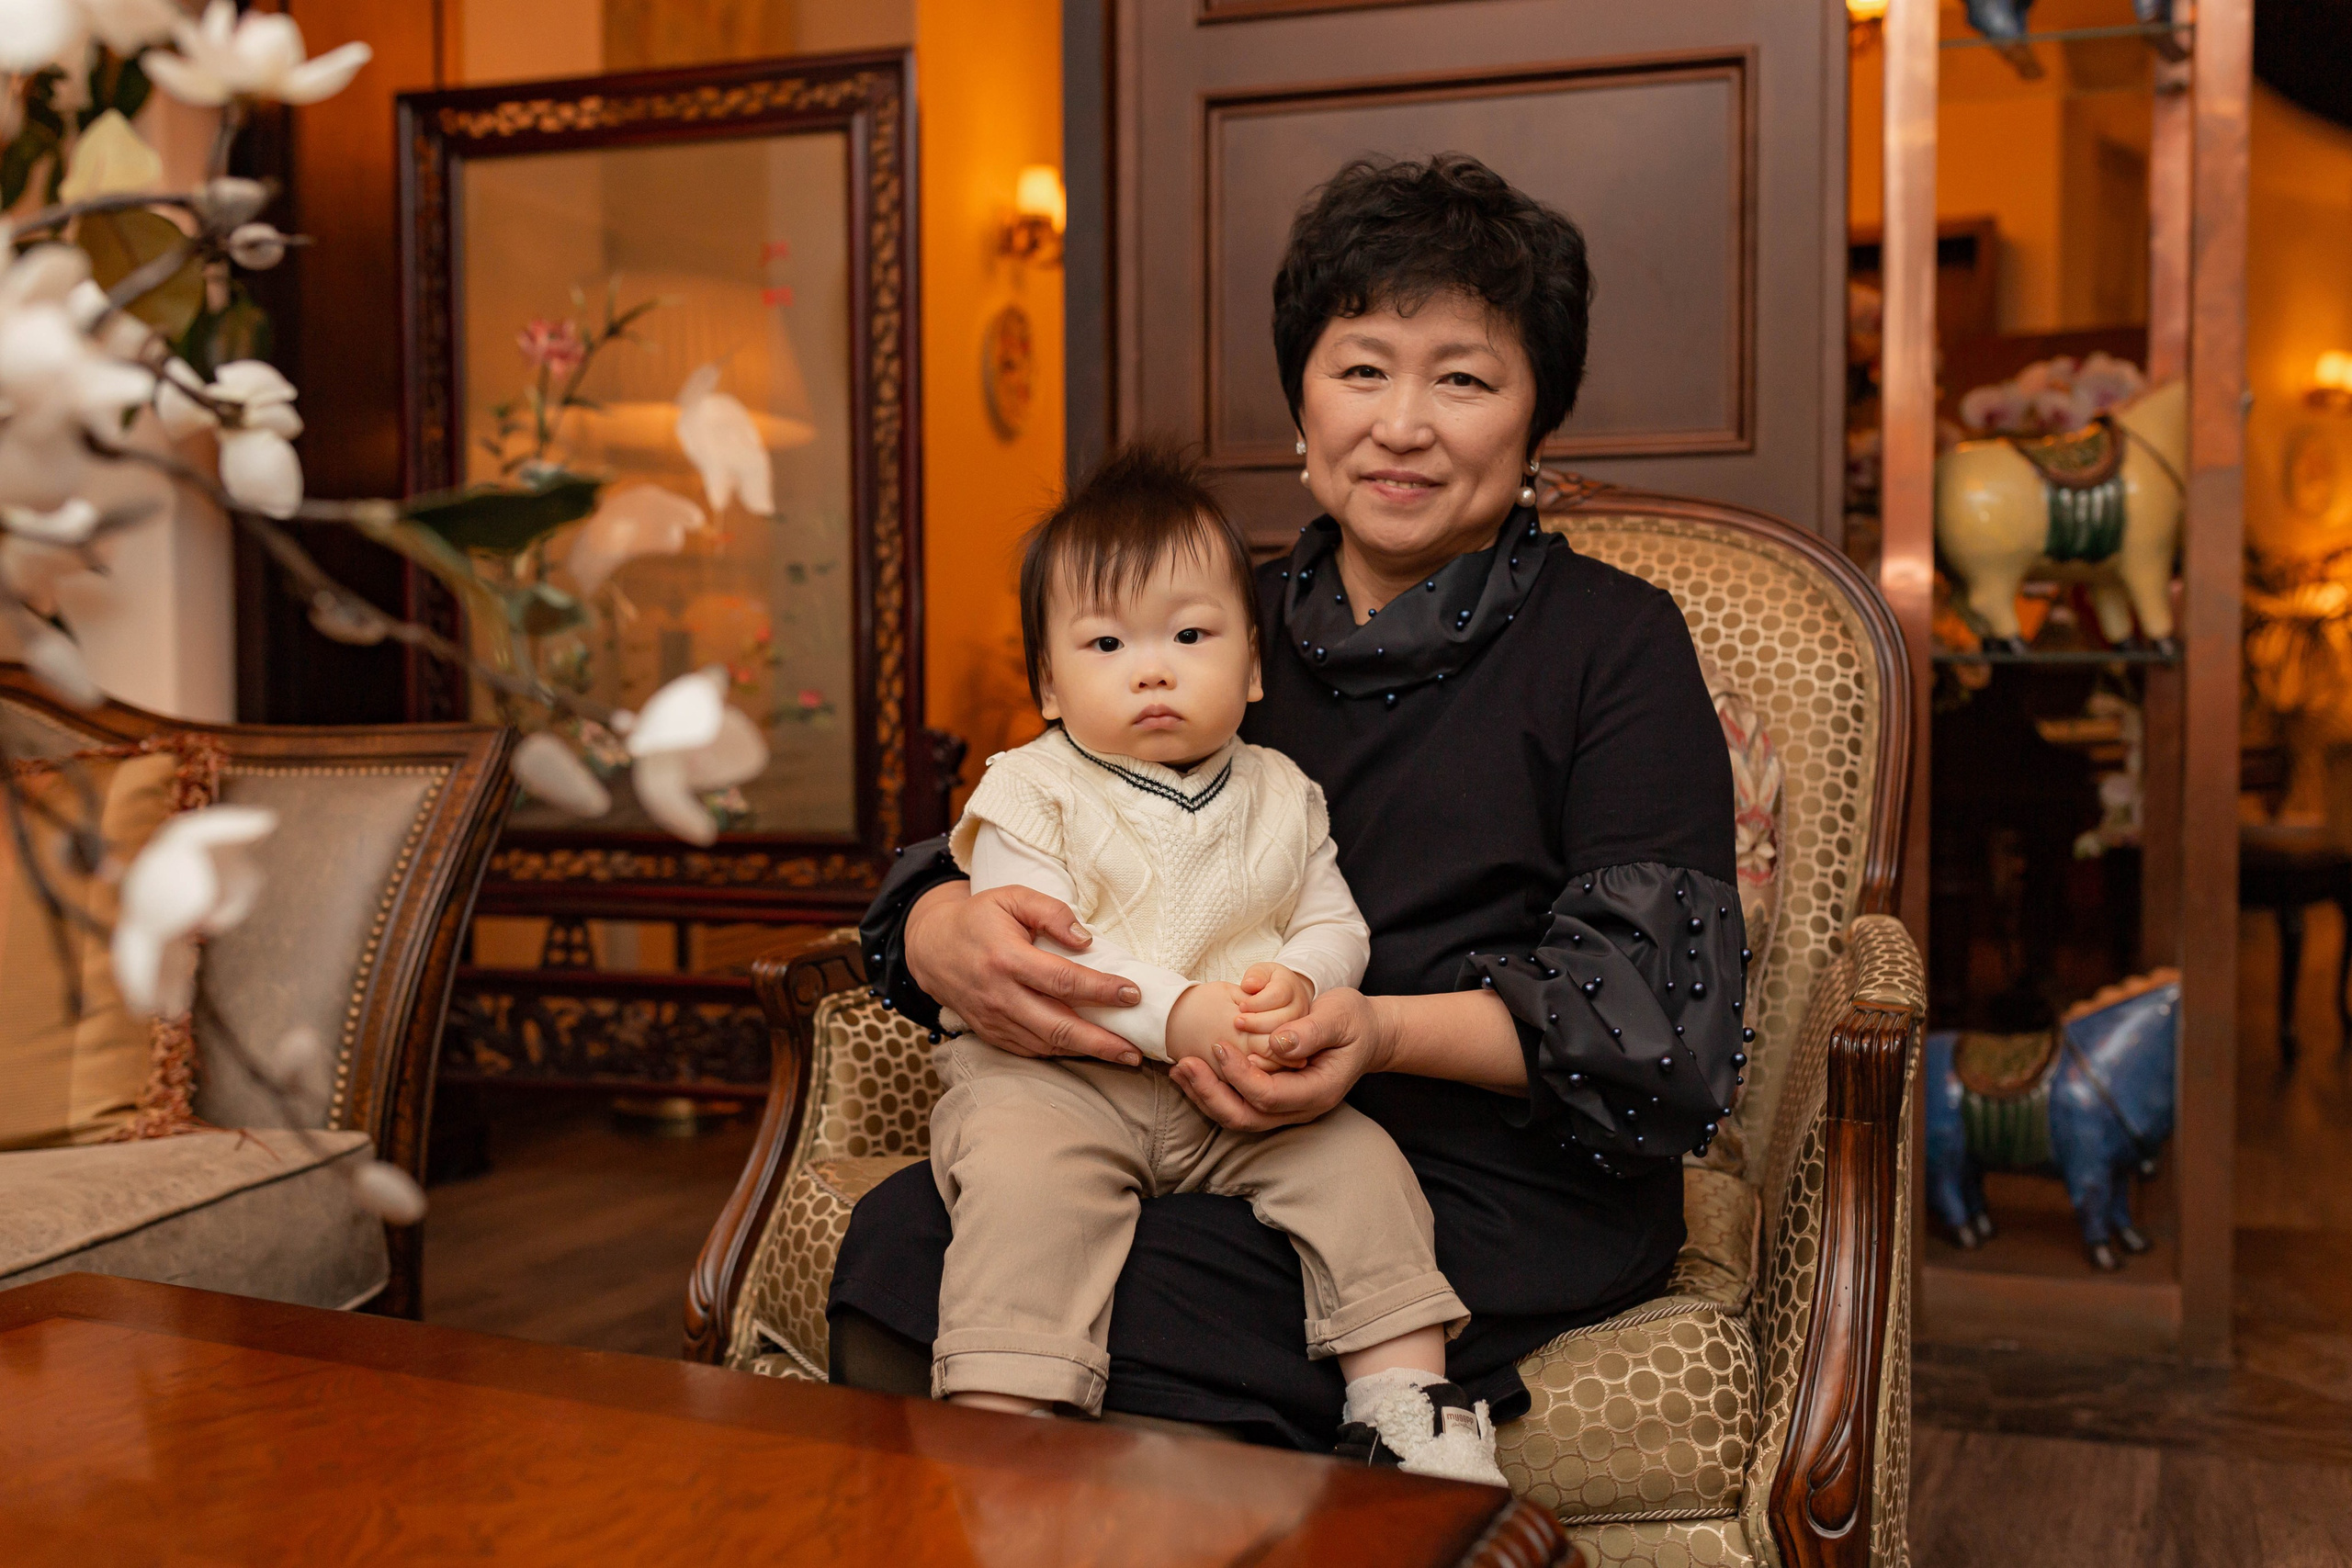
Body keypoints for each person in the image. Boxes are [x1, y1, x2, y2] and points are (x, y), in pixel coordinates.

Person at [837, 152, 1747, 1454]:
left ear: (1536, 417)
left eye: (1466, 377)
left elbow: (1650, 1020)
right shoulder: (1215, 620)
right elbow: (1029, 804)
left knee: (1124, 1298)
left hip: (1488, 1171)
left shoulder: (1615, 643)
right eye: (1362, 367)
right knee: (904, 1232)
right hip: (1184, 1113)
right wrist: (936, 926)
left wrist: (1372, 1031)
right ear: (1303, 405)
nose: (1403, 422)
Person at [929, 444, 1504, 1483]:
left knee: (1361, 1164)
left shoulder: (1283, 791)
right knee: (1021, 1195)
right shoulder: (1030, 789)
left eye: (1190, 636)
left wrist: (1306, 980)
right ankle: (1004, 1419)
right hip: (1056, 1085)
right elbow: (1042, 942)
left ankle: (1407, 1407)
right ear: (1049, 684)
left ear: (1247, 666)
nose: (1152, 668)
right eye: (1106, 643)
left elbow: (1334, 921)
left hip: (1237, 1091)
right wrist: (1180, 1011)